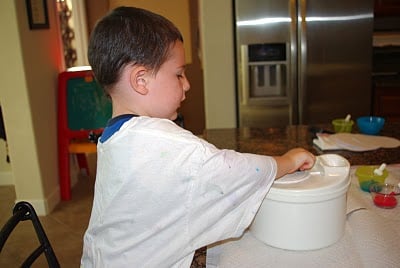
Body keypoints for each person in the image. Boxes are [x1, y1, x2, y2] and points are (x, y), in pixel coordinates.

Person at [81, 6, 315, 268]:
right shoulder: (166, 143)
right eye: (179, 74)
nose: (187, 84)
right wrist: (288, 161)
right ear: (141, 80)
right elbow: (233, 170)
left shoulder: (113, 138)